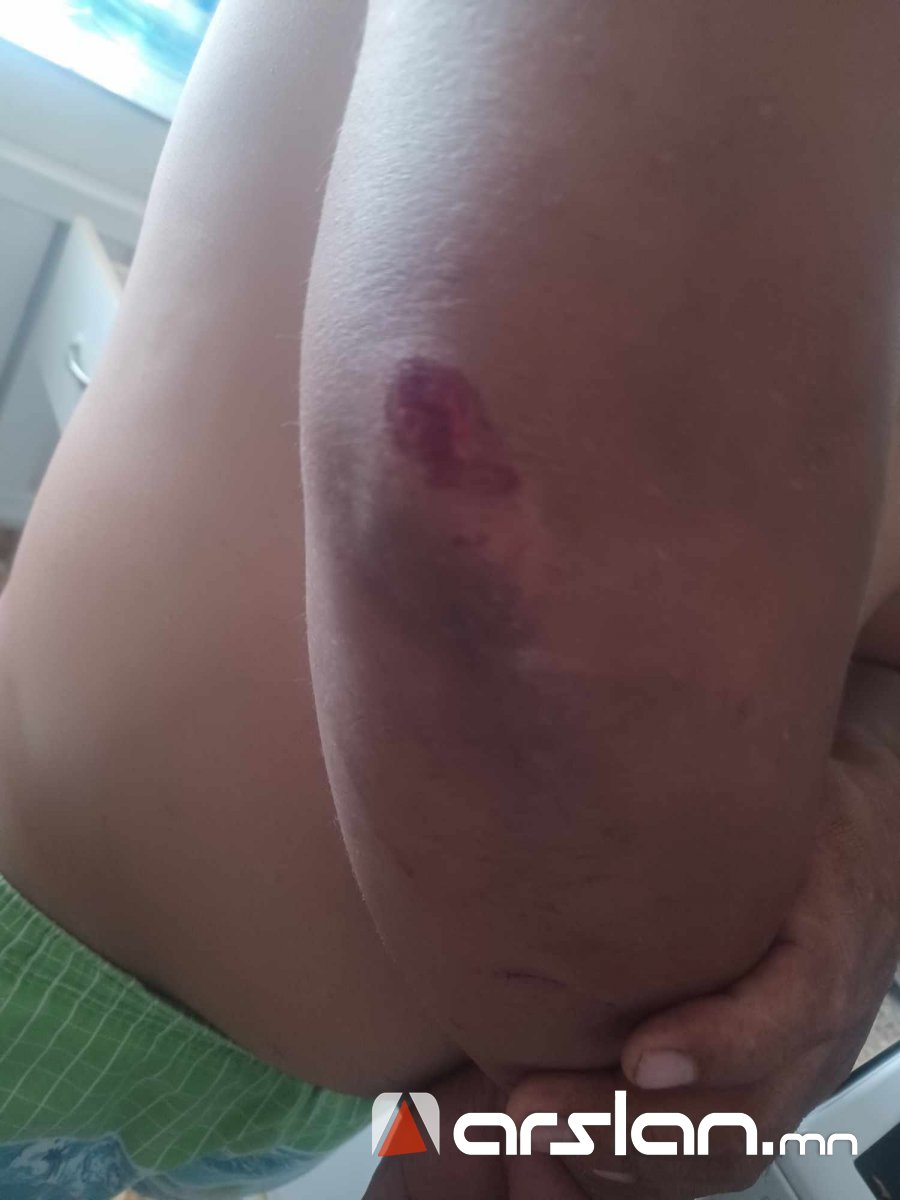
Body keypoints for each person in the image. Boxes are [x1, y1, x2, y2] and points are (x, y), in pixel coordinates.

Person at [0, 0, 898, 1196]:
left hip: (312, 1100)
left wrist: (877, 805)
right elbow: (519, 525)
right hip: (52, 972)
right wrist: (601, 1099)